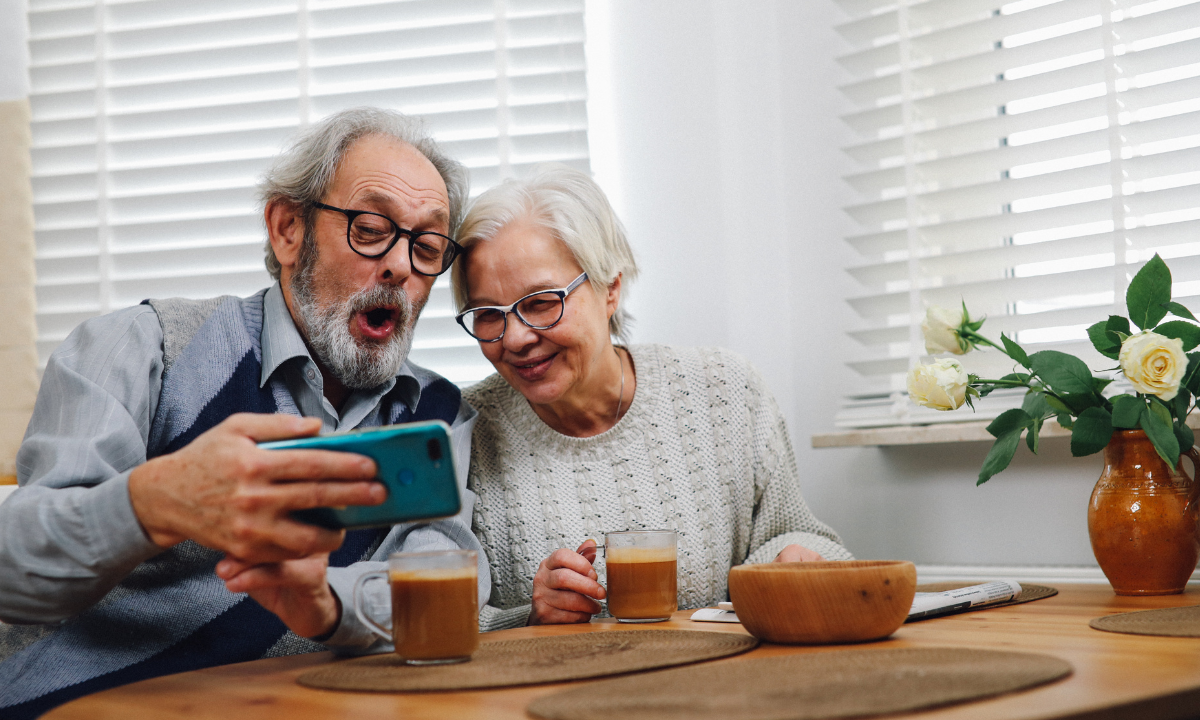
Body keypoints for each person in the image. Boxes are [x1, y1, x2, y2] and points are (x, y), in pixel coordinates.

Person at [0, 107, 490, 718]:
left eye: (426, 245)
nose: (399, 266)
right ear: (288, 229)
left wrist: (327, 607)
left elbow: (448, 590)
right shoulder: (140, 347)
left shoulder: (437, 419)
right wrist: (152, 502)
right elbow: (12, 570)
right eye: (370, 227)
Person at [452, 165, 852, 631]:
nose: (515, 338)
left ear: (611, 289)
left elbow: (798, 533)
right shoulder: (463, 433)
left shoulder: (725, 391)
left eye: (541, 302)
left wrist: (794, 559)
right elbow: (434, 620)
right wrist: (529, 616)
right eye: (486, 314)